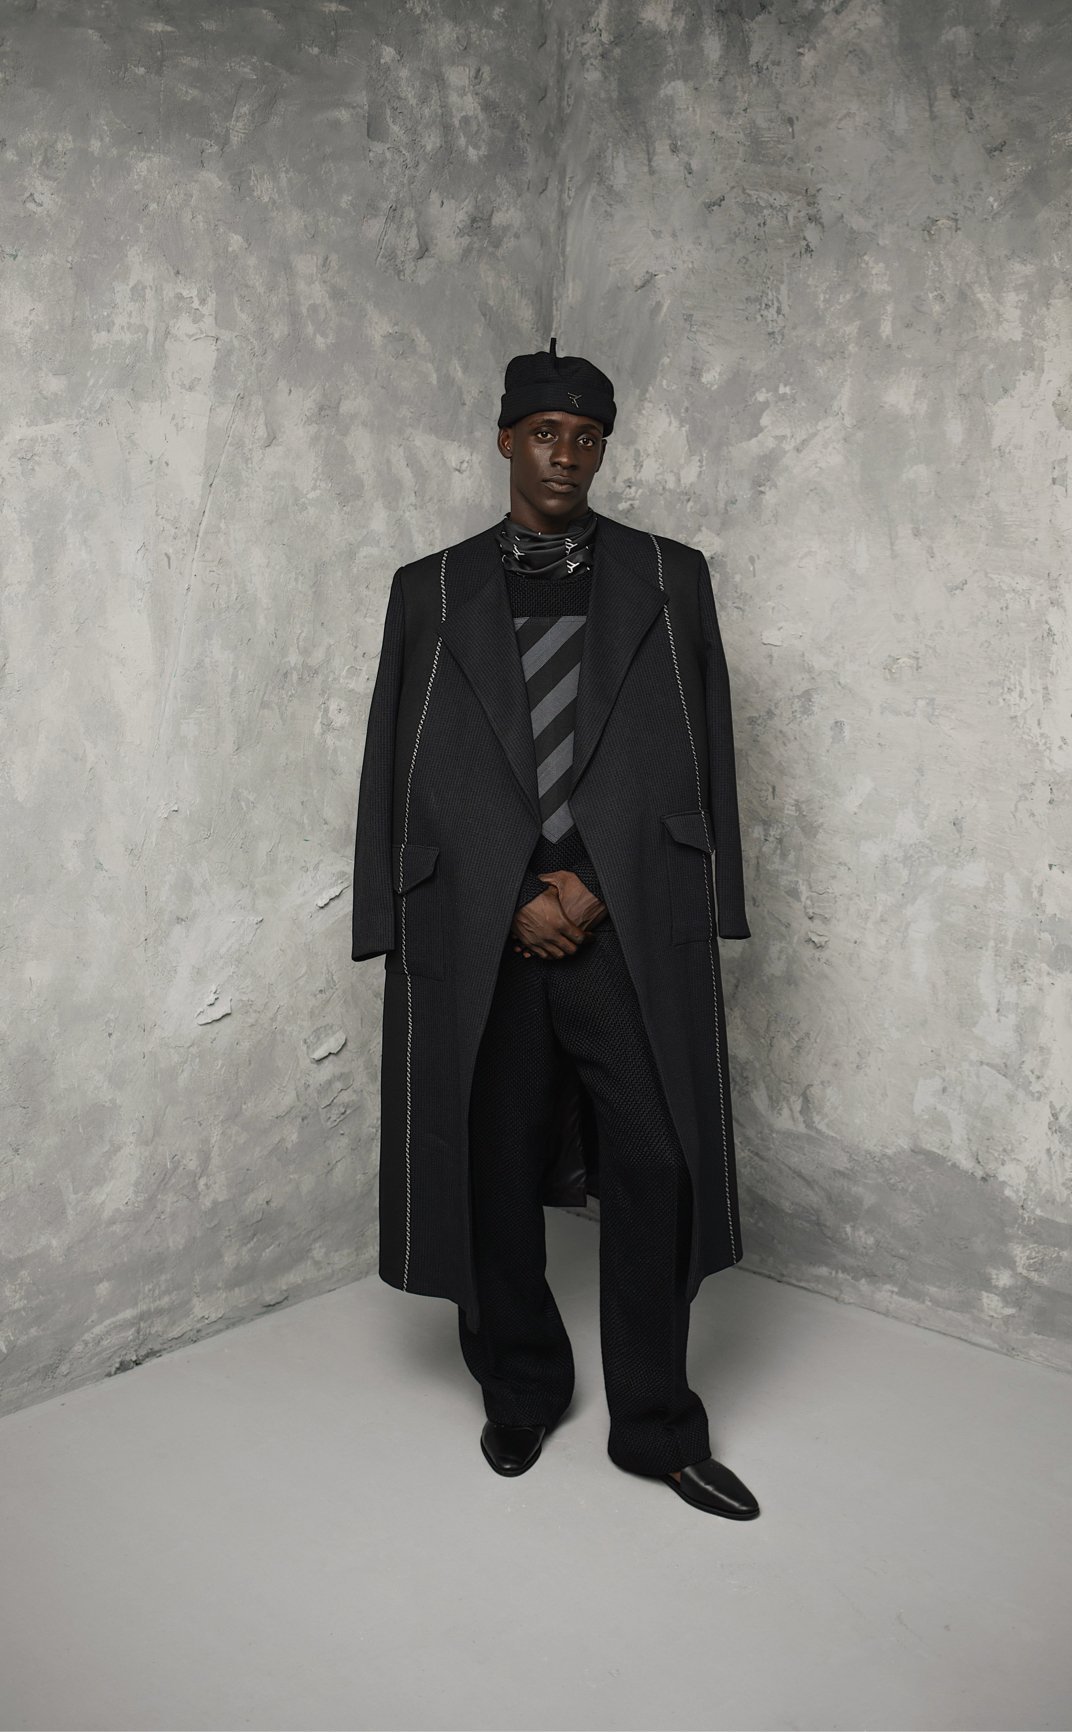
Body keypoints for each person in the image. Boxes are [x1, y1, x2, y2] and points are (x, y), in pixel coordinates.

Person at [352, 339, 758, 1519]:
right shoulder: (428, 591)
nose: (565, 455)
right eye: (544, 433)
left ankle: (655, 1423)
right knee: (488, 1159)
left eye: (586, 437)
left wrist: (606, 886)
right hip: (484, 924)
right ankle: (521, 1385)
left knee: (658, 1159)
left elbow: (703, 750)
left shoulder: (670, 577)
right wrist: (477, 900)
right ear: (504, 440)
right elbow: (396, 766)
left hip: (623, 916)